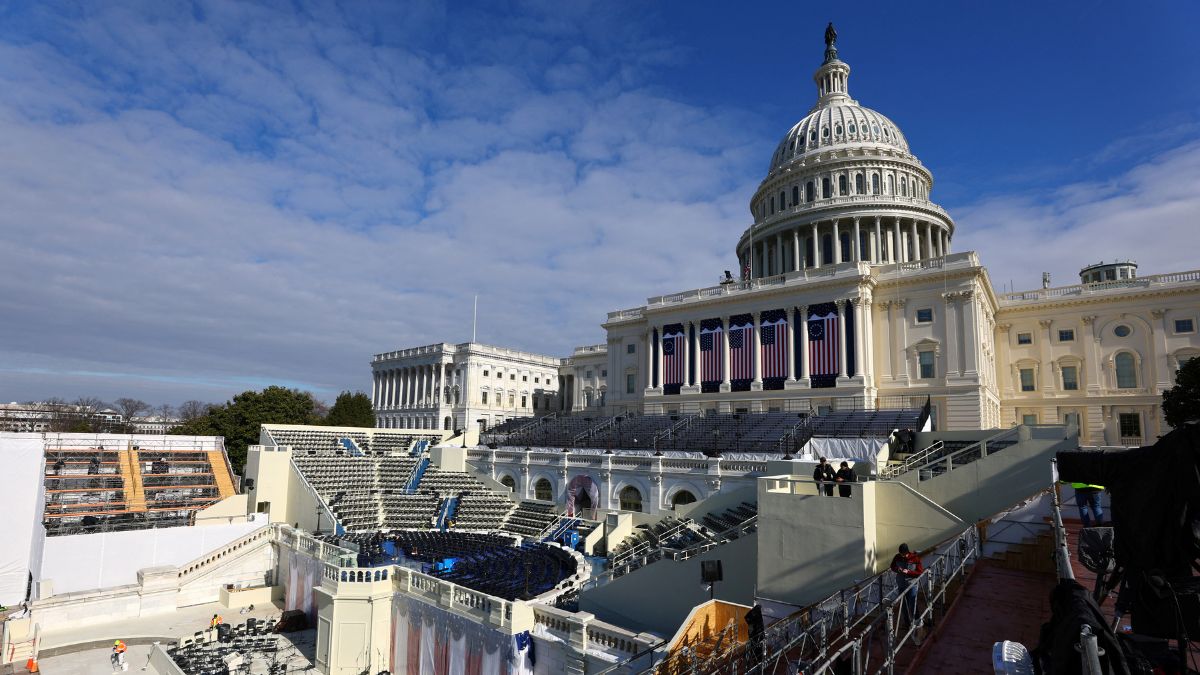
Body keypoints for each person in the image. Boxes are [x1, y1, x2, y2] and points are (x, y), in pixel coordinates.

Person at [890, 544, 924, 626]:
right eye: (901, 554)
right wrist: (897, 569)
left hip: (911, 584)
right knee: (903, 605)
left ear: (907, 552)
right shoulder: (897, 557)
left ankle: (917, 621)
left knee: (912, 603)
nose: (902, 555)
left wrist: (908, 572)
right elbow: (892, 566)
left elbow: (920, 572)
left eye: (903, 554)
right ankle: (907, 623)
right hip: (901, 584)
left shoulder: (914, 558)